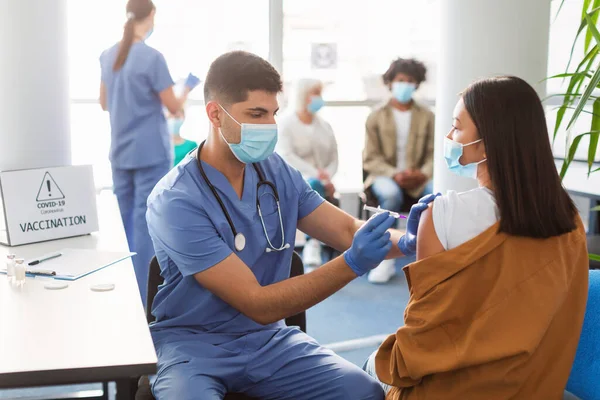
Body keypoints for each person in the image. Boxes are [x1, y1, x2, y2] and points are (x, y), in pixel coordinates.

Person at [146, 51, 435, 400]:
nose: (268, 126)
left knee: (364, 393)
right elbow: (257, 302)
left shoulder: (275, 171)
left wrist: (409, 241)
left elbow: (346, 231)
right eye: (255, 114)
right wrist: (352, 264)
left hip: (267, 341)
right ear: (214, 114)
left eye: (272, 114)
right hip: (194, 346)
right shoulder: (176, 199)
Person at [364, 76, 589, 399]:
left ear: (488, 141)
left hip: (451, 391)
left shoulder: (443, 215)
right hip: (536, 387)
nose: (449, 137)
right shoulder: (569, 221)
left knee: (372, 366)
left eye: (457, 127)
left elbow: (421, 341)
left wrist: (385, 361)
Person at [99, 0, 199, 305]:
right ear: (151, 15)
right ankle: (143, 300)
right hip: (150, 152)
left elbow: (104, 103)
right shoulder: (152, 58)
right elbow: (173, 107)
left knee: (122, 219)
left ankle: (120, 291)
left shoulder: (108, 55)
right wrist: (187, 88)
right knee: (145, 222)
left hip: (121, 151)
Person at [362, 58, 435, 284]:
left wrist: (422, 173)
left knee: (437, 196)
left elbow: (434, 153)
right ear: (391, 82)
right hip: (385, 176)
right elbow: (370, 158)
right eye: (400, 80)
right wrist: (395, 174)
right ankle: (386, 259)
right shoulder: (376, 116)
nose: (404, 84)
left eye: (410, 81)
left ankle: (431, 258)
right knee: (391, 194)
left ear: (417, 84)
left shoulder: (427, 116)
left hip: (420, 177)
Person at [277, 78, 339, 268]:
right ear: (303, 96)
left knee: (317, 185)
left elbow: (334, 157)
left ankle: (316, 242)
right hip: (298, 178)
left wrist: (327, 175)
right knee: (312, 185)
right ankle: (313, 242)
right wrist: (316, 174)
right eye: (316, 94)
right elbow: (286, 156)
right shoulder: (286, 123)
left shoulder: (324, 126)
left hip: (322, 180)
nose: (319, 99)